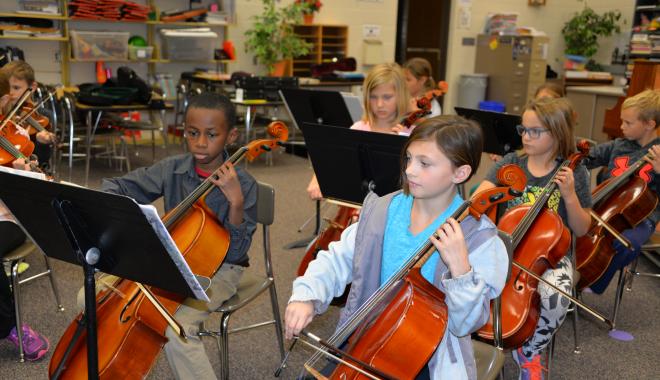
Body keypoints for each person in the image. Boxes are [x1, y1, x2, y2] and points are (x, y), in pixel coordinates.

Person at [287, 115, 509, 379]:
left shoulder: (477, 237)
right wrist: (307, 296)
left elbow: (466, 324)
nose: (410, 171)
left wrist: (461, 271)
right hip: (366, 337)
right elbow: (338, 259)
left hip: (430, 357)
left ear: (460, 173)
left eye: (425, 163)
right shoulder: (382, 210)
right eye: (408, 159)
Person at [101, 92, 257, 380]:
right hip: (170, 259)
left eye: (211, 135)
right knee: (94, 297)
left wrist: (235, 203)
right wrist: (125, 220)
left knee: (176, 327)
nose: (200, 142)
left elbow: (236, 253)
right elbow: (116, 187)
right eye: (192, 133)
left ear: (231, 135)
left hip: (221, 270)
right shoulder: (172, 168)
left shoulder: (244, 184)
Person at [473, 97, 593, 380]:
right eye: (523, 130)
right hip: (504, 246)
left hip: (551, 255)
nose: (526, 136)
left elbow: (582, 228)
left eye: (534, 131)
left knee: (557, 294)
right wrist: (495, 192)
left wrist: (570, 196)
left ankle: (531, 351)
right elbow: (478, 200)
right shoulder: (512, 163)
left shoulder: (575, 172)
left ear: (557, 133)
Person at [582, 89, 660, 294]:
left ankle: (590, 282)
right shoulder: (619, 145)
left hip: (641, 217)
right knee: (571, 224)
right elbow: (589, 157)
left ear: (649, 124)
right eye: (622, 121)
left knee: (626, 244)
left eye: (628, 123)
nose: (621, 127)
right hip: (605, 206)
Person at [306, 62, 409, 200]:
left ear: (401, 96)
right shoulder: (359, 128)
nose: (379, 104)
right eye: (373, 97)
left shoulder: (411, 134)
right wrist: (317, 179)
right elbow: (334, 160)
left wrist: (404, 141)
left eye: (387, 97)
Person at [0, 159, 50, 361]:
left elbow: (42, 188)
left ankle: (11, 325)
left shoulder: (10, 143)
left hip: (6, 220)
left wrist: (22, 172)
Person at [0, 60, 56, 170]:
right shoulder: (5, 116)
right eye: (7, 88)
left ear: (33, 86)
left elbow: (42, 162)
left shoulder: (42, 117)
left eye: (16, 88)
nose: (10, 93)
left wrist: (42, 143)